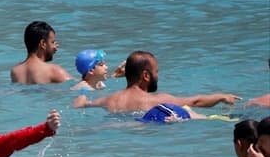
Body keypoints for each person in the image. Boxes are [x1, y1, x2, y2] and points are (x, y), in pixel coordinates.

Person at [72, 50, 240, 117]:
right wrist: (221, 96)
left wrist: (82, 98)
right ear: (146, 75)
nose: (157, 76)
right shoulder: (155, 100)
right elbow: (195, 101)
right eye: (156, 72)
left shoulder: (109, 99)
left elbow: (81, 104)